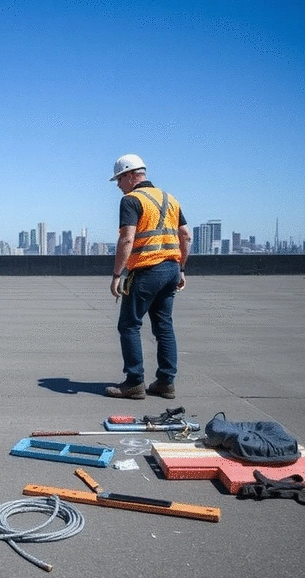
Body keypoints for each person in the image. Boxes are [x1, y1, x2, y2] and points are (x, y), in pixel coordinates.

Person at [105, 154, 191, 400]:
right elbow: (185, 236)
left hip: (146, 270)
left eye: (119, 180)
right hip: (171, 269)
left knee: (129, 325)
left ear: (131, 175)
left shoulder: (132, 200)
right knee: (164, 326)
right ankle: (166, 382)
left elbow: (127, 238)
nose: (118, 186)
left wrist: (116, 274)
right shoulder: (170, 199)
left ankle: (134, 382)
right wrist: (181, 269)